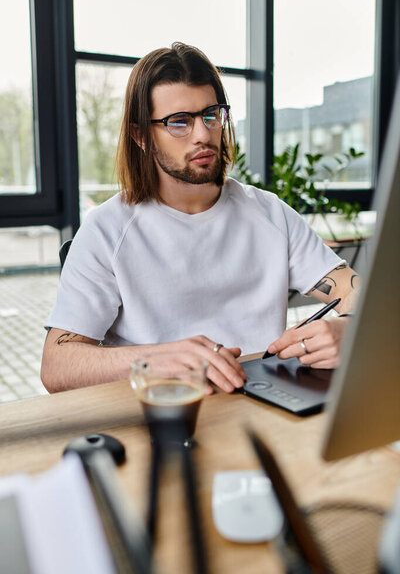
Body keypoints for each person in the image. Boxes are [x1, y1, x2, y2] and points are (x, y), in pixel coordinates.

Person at [41, 42, 360, 394]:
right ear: (140, 136)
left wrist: (352, 328)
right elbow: (57, 366)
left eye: (211, 115)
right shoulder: (106, 230)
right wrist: (158, 359)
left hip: (267, 402)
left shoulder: (269, 213)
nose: (203, 135)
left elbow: (351, 289)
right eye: (179, 122)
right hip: (165, 412)